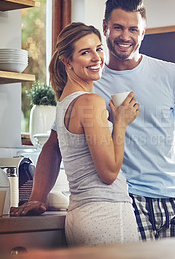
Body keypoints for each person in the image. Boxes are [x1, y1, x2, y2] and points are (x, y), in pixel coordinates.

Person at [11, 0, 175, 241]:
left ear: (143, 32)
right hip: (126, 203)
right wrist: (37, 196)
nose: (125, 36)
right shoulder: (89, 82)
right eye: (118, 28)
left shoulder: (170, 74)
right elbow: (54, 145)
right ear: (105, 28)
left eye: (133, 29)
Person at [47, 22, 140, 246]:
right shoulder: (91, 102)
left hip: (80, 217)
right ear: (67, 61)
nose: (97, 57)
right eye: (85, 52)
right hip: (106, 215)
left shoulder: (64, 105)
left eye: (98, 48)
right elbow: (108, 173)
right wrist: (120, 122)